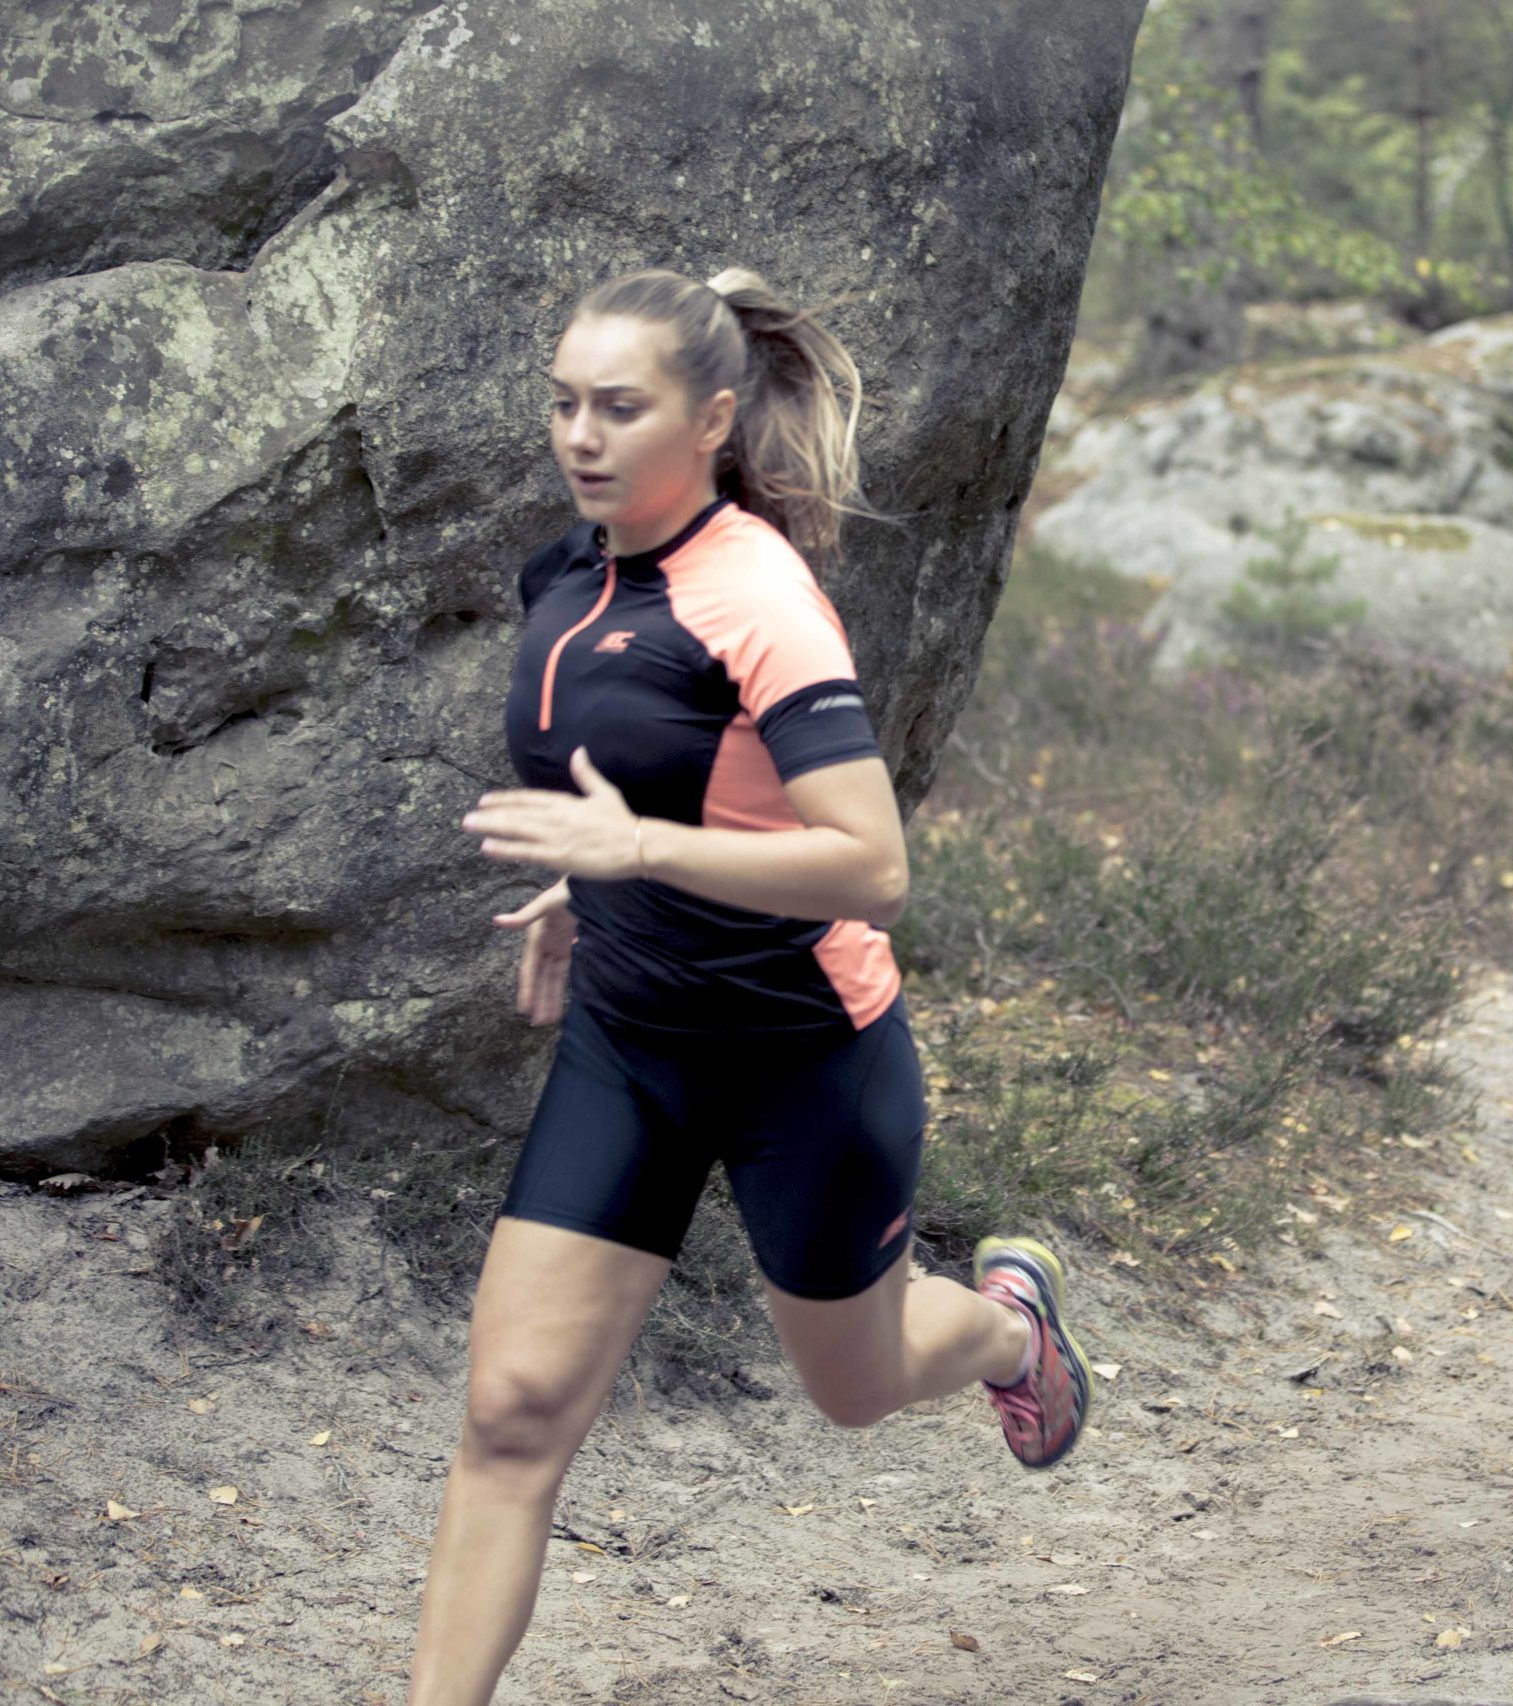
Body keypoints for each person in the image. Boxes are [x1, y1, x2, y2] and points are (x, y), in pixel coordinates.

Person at [409, 269, 1092, 1703]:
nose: (580, 435)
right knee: (513, 1412)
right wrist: (591, 886)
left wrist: (639, 851)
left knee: (856, 1386)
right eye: (563, 403)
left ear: (712, 421)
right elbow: (665, 780)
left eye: (619, 407)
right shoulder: (565, 577)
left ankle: (1009, 1328)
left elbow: (871, 865)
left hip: (804, 1059)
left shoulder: (762, 599)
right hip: (630, 1045)